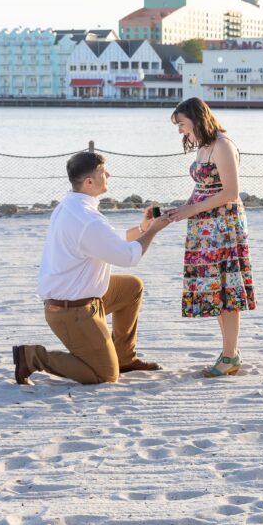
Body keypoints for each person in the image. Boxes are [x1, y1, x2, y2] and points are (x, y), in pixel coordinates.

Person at [12, 151, 170, 386]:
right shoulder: (86, 218)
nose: (109, 175)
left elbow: (110, 239)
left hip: (82, 297)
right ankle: (32, 357)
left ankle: (125, 357)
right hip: (69, 311)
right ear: (89, 182)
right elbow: (128, 257)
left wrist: (142, 227)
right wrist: (153, 230)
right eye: (103, 172)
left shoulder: (73, 204)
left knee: (131, 287)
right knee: (104, 375)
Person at [167, 98, 256, 377]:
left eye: (182, 124)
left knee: (227, 290)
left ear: (196, 118)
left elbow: (230, 192)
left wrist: (191, 209)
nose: (180, 130)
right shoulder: (204, 145)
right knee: (216, 290)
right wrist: (181, 209)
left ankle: (230, 355)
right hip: (205, 225)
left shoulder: (223, 145)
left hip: (224, 226)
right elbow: (204, 188)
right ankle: (229, 353)